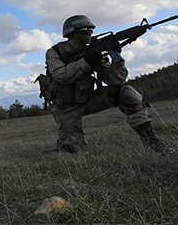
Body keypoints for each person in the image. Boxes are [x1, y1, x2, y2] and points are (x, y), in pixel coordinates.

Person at [45, 15, 167, 154]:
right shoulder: (55, 52)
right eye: (85, 31)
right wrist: (87, 61)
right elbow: (62, 76)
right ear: (72, 33)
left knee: (127, 93)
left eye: (91, 31)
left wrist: (116, 58)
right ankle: (65, 144)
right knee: (71, 150)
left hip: (88, 99)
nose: (89, 34)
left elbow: (115, 80)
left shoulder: (93, 51)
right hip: (65, 107)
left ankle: (152, 142)